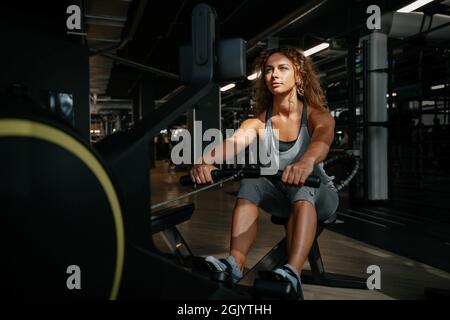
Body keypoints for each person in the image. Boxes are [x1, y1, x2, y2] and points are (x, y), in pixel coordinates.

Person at [189, 47, 338, 299]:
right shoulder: (258, 121)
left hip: (319, 196)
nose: (274, 75)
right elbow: (234, 144)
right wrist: (203, 161)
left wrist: (305, 162)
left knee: (303, 185)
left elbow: (322, 141)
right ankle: (235, 263)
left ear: (299, 76)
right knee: (253, 180)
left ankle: (293, 273)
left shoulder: (317, 115)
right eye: (268, 70)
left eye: (282, 69)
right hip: (282, 197)